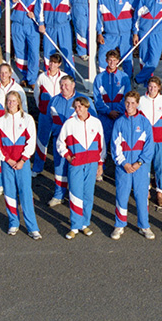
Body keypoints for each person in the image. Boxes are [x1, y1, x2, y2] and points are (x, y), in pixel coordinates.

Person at [0, 91, 41, 240]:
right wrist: (7, 159)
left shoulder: (27, 119)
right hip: (7, 163)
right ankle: (13, 223)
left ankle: (32, 227)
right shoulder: (1, 121)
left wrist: (22, 160)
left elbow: (31, 141)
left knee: (26, 193)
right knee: (9, 193)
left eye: (14, 101)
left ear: (19, 102)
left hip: (22, 164)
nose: (11, 103)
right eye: (9, 101)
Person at [56, 97, 106, 239]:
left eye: (80, 107)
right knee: (75, 194)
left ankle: (85, 224)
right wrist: (68, 157)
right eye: (76, 107)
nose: (78, 110)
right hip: (76, 164)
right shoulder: (69, 123)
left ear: (86, 107)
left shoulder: (96, 123)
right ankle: (75, 226)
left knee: (88, 195)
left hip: (92, 164)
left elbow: (101, 145)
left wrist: (100, 164)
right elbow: (60, 143)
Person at [110, 91, 156, 240]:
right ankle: (119, 224)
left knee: (141, 196)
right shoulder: (119, 122)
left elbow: (149, 146)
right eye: (127, 103)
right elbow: (115, 145)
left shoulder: (144, 122)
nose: (129, 106)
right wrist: (124, 163)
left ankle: (144, 225)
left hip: (140, 167)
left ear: (137, 104)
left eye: (132, 103)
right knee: (122, 196)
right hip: (123, 167)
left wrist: (139, 162)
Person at [47, 75, 96, 207]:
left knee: (76, 171)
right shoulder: (54, 101)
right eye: (61, 85)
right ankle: (58, 195)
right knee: (59, 169)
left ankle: (76, 197)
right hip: (59, 141)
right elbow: (47, 121)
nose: (63, 88)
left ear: (73, 85)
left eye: (66, 85)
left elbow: (94, 122)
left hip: (78, 144)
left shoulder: (83, 101)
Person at [0, 63, 28, 198]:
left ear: (10, 73)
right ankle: (0, 184)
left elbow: (24, 109)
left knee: (16, 156)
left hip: (15, 128)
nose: (3, 75)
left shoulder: (18, 89)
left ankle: (15, 185)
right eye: (1, 73)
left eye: (6, 72)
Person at [138, 76, 162, 210]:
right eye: (150, 86)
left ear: (159, 87)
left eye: (155, 87)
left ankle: (160, 192)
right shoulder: (141, 101)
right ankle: (146, 189)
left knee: (160, 167)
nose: (152, 89)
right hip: (146, 141)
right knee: (145, 166)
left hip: (160, 139)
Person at [96, 0, 138, 78]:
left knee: (127, 59)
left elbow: (140, 9)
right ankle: (103, 79)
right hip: (110, 34)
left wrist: (135, 32)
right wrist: (99, 33)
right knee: (102, 57)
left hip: (125, 34)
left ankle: (128, 82)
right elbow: (98, 17)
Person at [38, 0, 75, 76]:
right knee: (48, 53)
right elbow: (39, 5)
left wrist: (67, 17)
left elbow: (74, 5)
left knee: (67, 52)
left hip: (63, 25)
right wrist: (41, 23)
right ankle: (48, 76)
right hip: (49, 26)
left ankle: (70, 78)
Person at [11, 0, 42, 88]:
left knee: (34, 52)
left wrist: (35, 15)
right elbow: (7, 5)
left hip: (32, 25)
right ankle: (24, 76)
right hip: (17, 24)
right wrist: (12, 0)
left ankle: (32, 79)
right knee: (20, 52)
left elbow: (43, 5)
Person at [33, 53, 64, 177]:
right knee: (41, 141)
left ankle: (59, 170)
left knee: (60, 142)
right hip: (45, 114)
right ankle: (37, 167)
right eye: (51, 62)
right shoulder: (42, 77)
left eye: (55, 62)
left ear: (59, 64)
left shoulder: (64, 77)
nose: (52, 64)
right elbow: (36, 95)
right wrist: (41, 108)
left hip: (59, 115)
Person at [93, 49, 130, 149]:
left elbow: (127, 97)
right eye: (110, 60)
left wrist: (117, 111)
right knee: (102, 146)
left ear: (118, 61)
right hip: (105, 117)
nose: (112, 63)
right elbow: (97, 99)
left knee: (120, 147)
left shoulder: (124, 77)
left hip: (120, 116)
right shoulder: (99, 78)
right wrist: (108, 112)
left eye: (114, 60)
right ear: (106, 60)